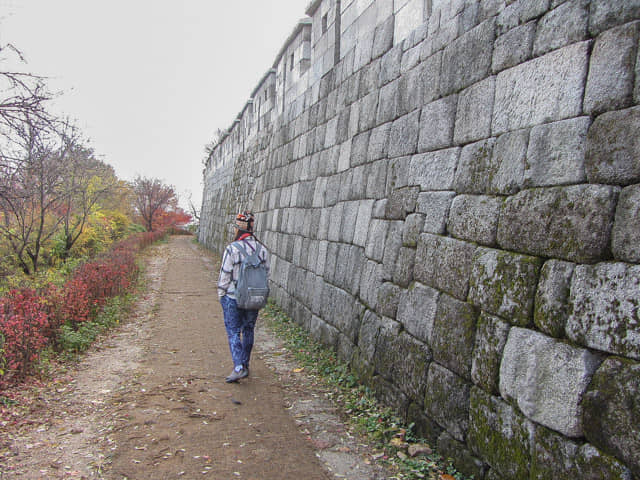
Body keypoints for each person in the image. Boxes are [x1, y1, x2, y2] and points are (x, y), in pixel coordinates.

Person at [218, 211, 270, 383]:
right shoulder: (262, 250)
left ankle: (238, 367)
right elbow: (266, 273)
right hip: (254, 297)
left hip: (233, 296)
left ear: (237, 229)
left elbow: (225, 274)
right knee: (248, 330)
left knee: (233, 331)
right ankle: (245, 365)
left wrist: (221, 294)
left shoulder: (232, 249)